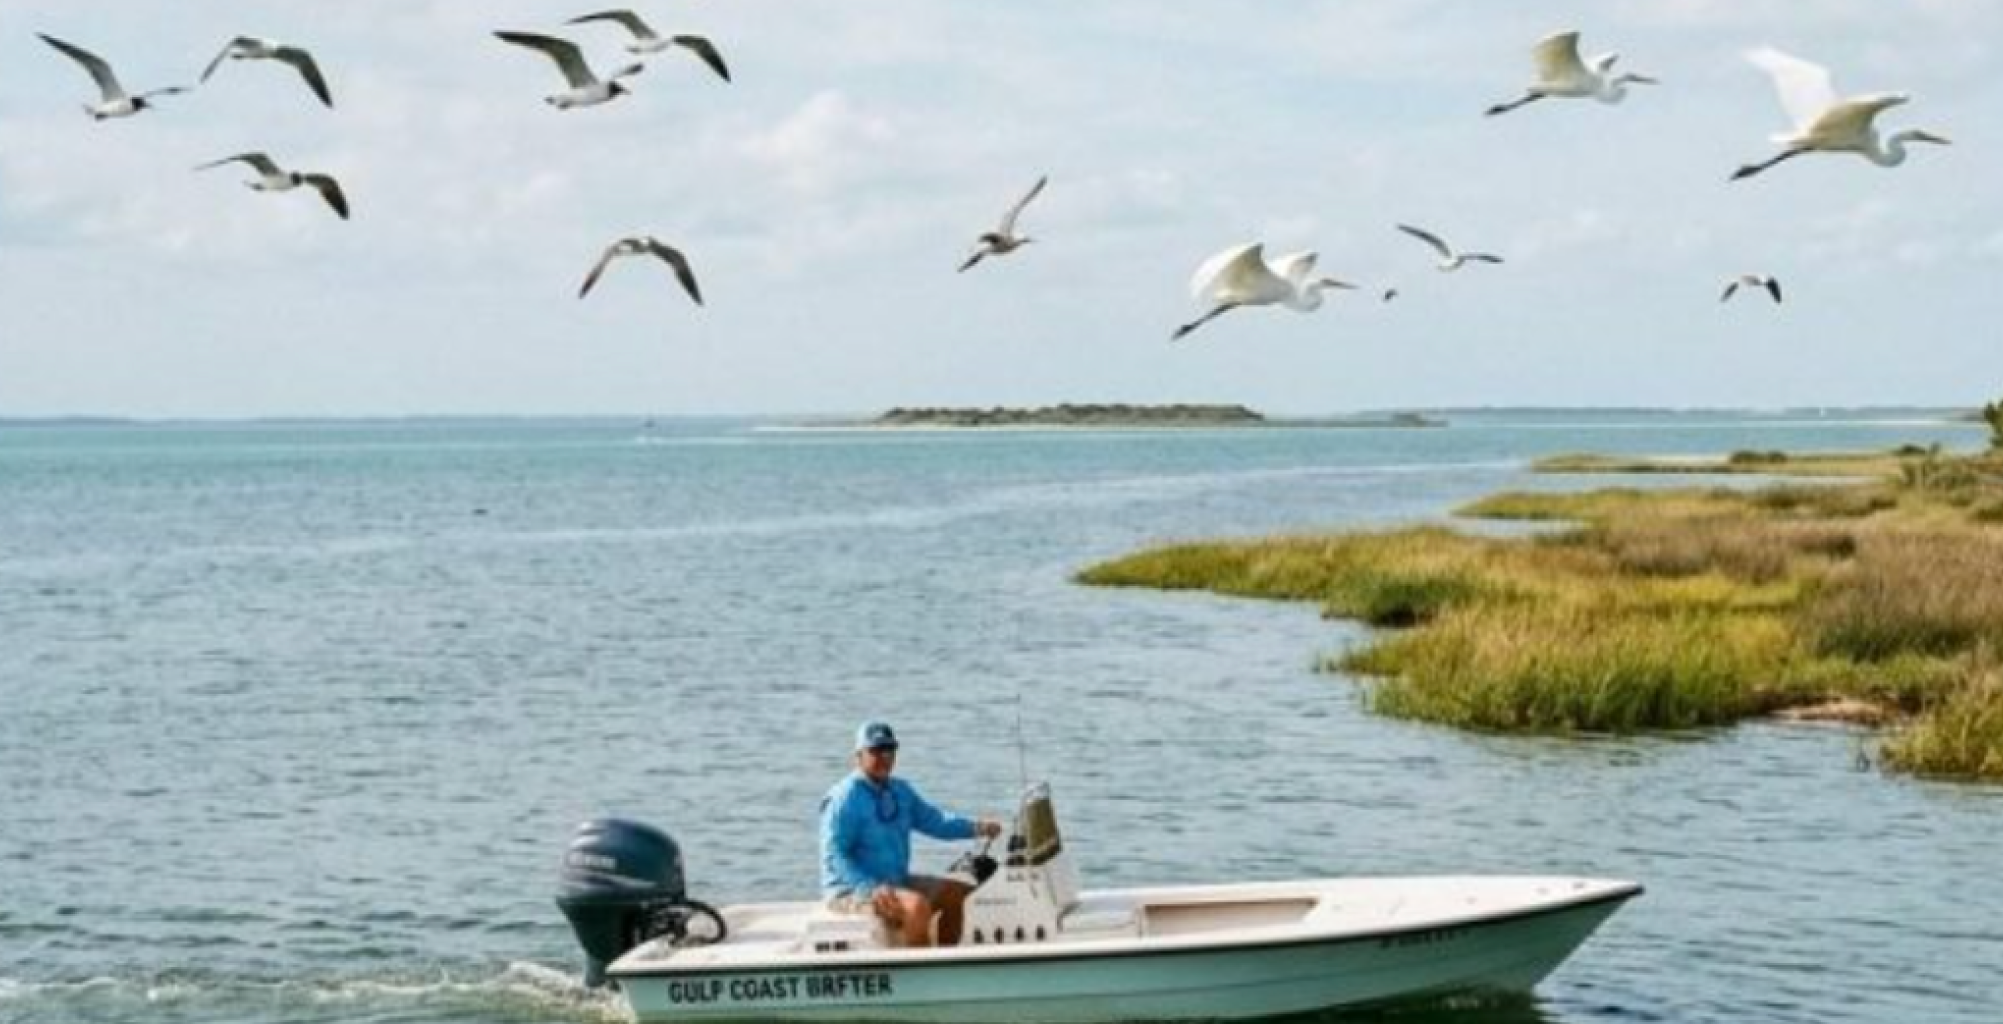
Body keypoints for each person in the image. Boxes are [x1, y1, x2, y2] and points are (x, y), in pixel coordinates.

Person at [819, 720, 1003, 947]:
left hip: (895, 881)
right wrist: (869, 888)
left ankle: (947, 965)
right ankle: (922, 978)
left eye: (889, 751)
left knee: (958, 893)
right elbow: (835, 854)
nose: (883, 758)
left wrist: (976, 827)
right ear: (859, 756)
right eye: (875, 751)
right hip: (849, 891)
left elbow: (935, 821)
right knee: (916, 907)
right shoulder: (844, 798)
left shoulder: (900, 790)